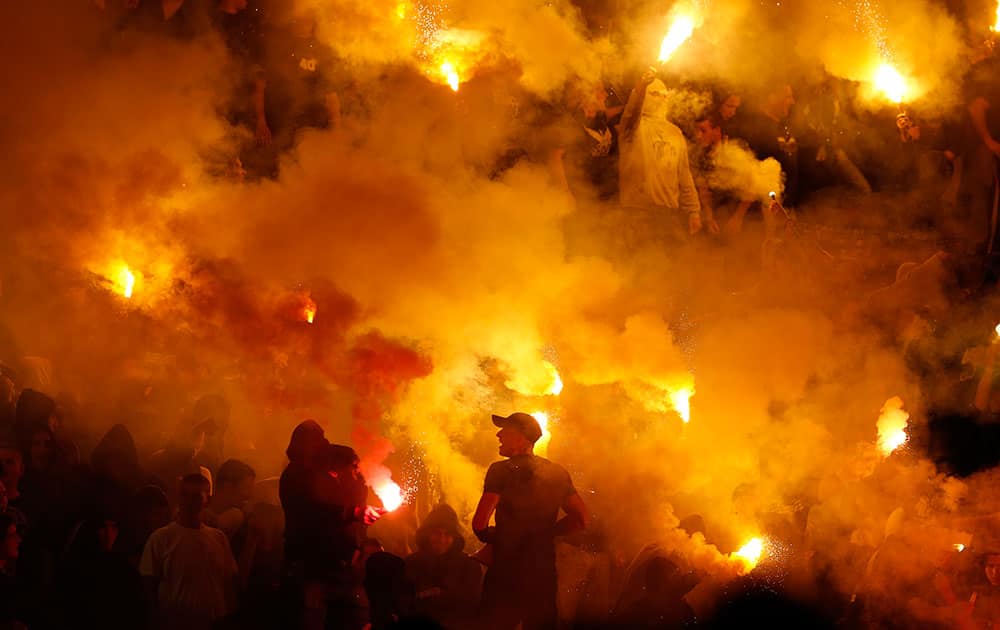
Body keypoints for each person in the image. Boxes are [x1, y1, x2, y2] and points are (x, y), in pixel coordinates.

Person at [473, 412, 588, 630]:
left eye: (505, 431)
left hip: (505, 573)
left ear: (521, 438)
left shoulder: (500, 470)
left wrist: (497, 537)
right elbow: (581, 518)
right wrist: (547, 533)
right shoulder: (557, 472)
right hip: (542, 573)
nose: (499, 434)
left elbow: (479, 524)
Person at [279, 421, 383, 630]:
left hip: (345, 571)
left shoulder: (335, 480)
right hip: (311, 571)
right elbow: (315, 510)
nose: (325, 443)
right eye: (318, 439)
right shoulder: (296, 476)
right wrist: (354, 512)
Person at [140, 473, 238, 630]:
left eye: (196, 497)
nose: (189, 502)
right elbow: (148, 585)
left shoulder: (219, 538)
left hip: (214, 622)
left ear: (208, 500)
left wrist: (230, 619)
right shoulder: (161, 538)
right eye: (185, 495)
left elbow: (228, 582)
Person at [618, 70, 701, 245]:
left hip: (668, 214)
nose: (662, 98)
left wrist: (694, 210)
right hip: (638, 213)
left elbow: (684, 173)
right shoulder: (633, 127)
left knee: (668, 268)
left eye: (664, 94)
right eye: (654, 94)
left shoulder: (675, 132)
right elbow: (632, 112)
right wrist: (640, 88)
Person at [405, 504, 483, 629]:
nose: (441, 539)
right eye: (437, 533)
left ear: (455, 537)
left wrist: (438, 594)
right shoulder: (411, 563)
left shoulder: (469, 567)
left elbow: (471, 605)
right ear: (427, 534)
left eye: (447, 534)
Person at [741, 83, 800, 207]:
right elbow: (752, 175)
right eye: (787, 97)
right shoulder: (756, 127)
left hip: (785, 209)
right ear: (772, 98)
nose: (792, 101)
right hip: (765, 211)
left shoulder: (784, 125)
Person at [207, 458, 255, 544]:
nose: (250, 495)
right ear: (227, 486)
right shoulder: (194, 515)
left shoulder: (243, 517)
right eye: (246, 488)